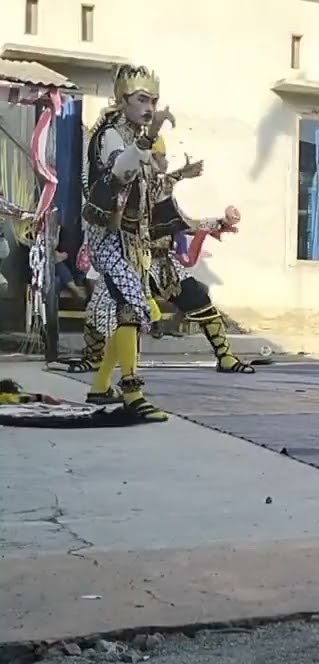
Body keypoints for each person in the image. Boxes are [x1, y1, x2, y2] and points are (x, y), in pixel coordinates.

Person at [59, 133, 247, 384]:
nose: (164, 162)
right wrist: (181, 175)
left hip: (163, 264)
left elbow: (184, 221)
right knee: (99, 310)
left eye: (163, 157)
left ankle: (225, 356)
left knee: (201, 302)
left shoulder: (158, 190)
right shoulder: (124, 186)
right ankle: (96, 358)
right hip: (128, 261)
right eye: (159, 157)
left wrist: (220, 222)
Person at [78, 64, 176, 421]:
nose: (149, 108)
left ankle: (100, 385)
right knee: (133, 305)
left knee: (127, 311)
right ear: (122, 100)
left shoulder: (135, 137)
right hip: (107, 236)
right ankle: (132, 392)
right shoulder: (109, 135)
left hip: (132, 238)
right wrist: (150, 138)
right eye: (142, 100)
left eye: (153, 101)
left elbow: (151, 188)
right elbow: (119, 172)